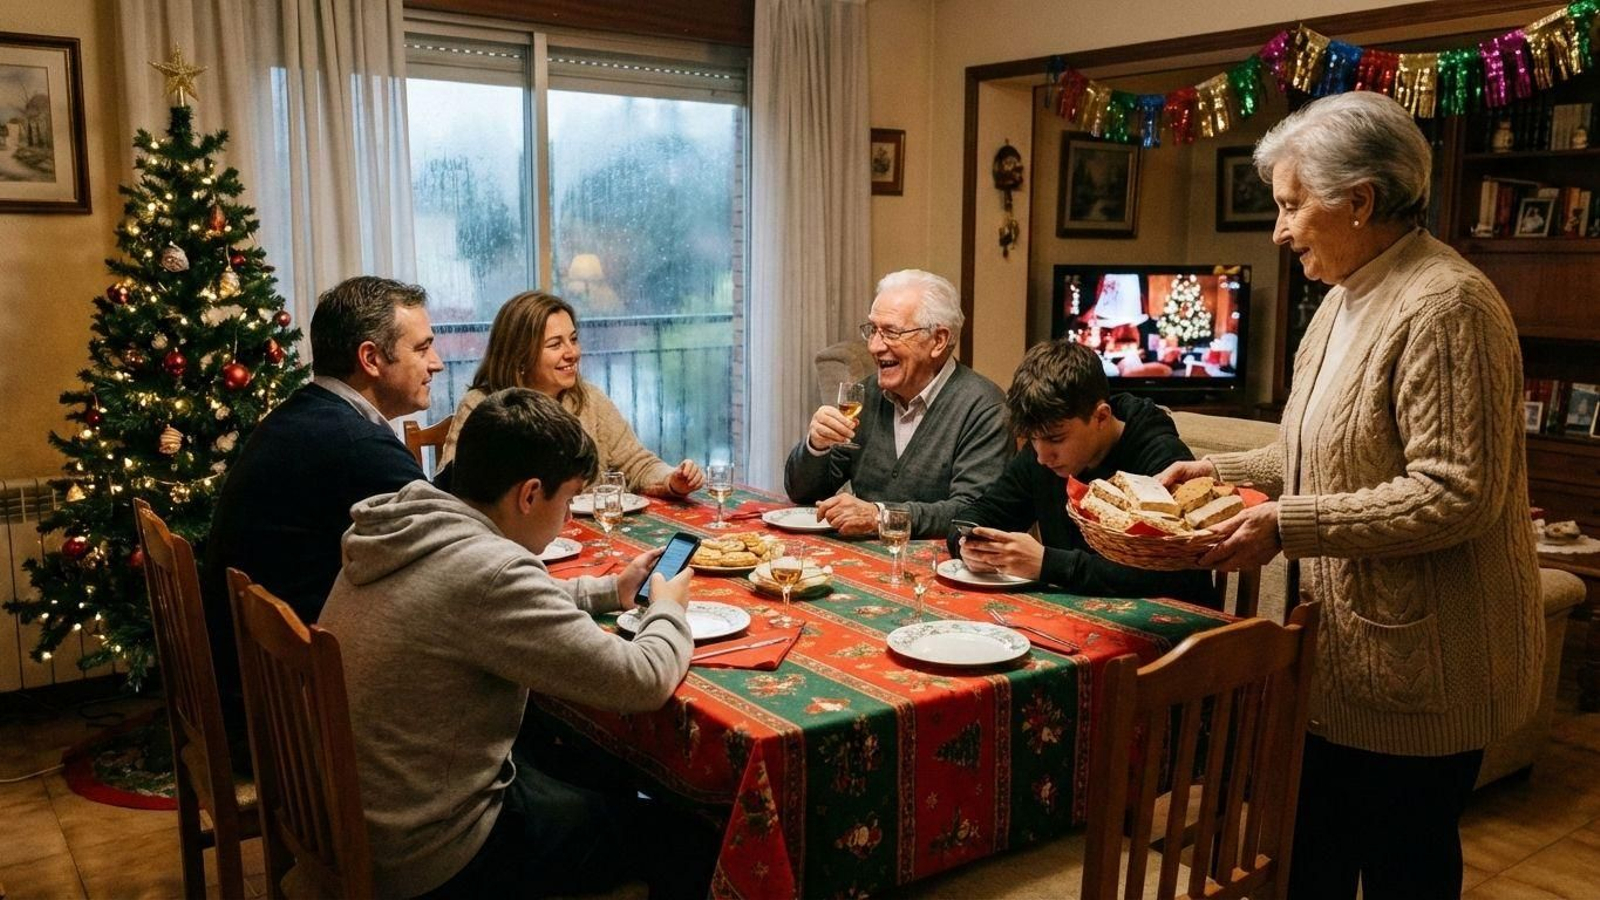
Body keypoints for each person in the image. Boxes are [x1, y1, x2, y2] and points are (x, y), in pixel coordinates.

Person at [1157, 91, 1543, 900]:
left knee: (1403, 870)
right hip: (1335, 660)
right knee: (1311, 863)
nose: (1279, 230)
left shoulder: (1446, 305)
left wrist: (1286, 524)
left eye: (1293, 206)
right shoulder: (1339, 299)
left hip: (1419, 668)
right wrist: (1222, 473)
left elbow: (1457, 494)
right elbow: (1318, 451)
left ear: (1361, 201)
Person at [319, 388, 703, 898]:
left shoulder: (412, 522)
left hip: (364, 815)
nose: (568, 517)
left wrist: (611, 589)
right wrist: (668, 607)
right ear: (529, 494)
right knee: (687, 835)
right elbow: (642, 679)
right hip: (432, 852)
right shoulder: (490, 572)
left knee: (586, 771)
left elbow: (487, 607)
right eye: (566, 501)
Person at [202, 276, 441, 762]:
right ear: (371, 359)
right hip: (289, 720)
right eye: (422, 348)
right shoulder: (354, 444)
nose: (435, 363)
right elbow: (464, 551)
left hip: (250, 690)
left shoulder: (306, 413)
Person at [947, 339, 1217, 607]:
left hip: (1177, 630)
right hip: (1082, 613)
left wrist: (1047, 564)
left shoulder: (1161, 457)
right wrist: (969, 543)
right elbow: (981, 514)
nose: (1041, 457)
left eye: (1056, 439)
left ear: (1100, 416)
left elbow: (1176, 573)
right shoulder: (1043, 452)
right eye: (1032, 439)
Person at [783, 269, 1010, 538]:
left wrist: (881, 517)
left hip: (936, 569)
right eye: (873, 331)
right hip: (864, 562)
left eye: (891, 332)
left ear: (938, 341)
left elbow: (973, 512)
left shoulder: (983, 407)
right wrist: (816, 447)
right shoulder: (865, 395)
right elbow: (801, 493)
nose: (875, 347)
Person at [438, 291, 703, 497]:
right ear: (520, 356)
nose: (572, 353)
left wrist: (673, 479)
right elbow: (455, 489)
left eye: (573, 339)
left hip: (588, 540)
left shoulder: (587, 399)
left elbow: (637, 463)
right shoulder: (482, 406)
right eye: (556, 344)